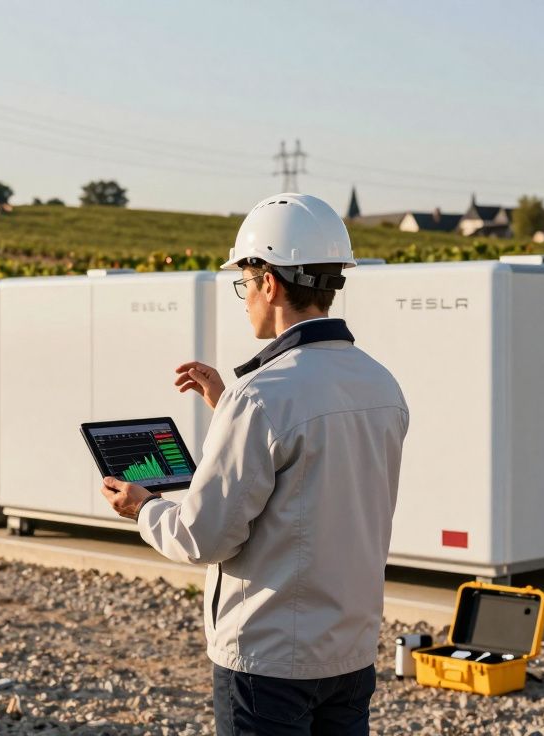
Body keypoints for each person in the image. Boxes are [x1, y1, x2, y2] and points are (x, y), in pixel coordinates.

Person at [101, 193, 409, 735]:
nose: (244, 298)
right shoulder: (379, 382)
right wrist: (228, 407)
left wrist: (145, 508)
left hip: (269, 664)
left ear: (269, 281)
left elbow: (204, 537)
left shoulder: (262, 398)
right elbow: (314, 467)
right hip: (350, 654)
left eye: (244, 282)